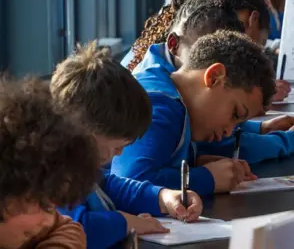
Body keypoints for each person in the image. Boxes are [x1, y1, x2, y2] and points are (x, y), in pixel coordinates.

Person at [122, 0, 294, 164]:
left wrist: (258, 128)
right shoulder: (159, 101)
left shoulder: (173, 84)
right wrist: (287, 141)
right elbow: (135, 177)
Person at [52, 42, 203, 249]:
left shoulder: (81, 168)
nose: (121, 153)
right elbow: (77, 227)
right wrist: (128, 223)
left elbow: (109, 187)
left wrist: (163, 197)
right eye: (116, 147)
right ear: (83, 132)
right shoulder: (52, 174)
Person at [111, 30, 277, 195]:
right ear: (214, 77)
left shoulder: (171, 92)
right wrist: (205, 178)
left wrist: (192, 163)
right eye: (235, 114)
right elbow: (129, 181)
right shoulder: (160, 106)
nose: (229, 132)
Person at [0, 78, 100, 249]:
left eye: (51, 204)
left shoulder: (38, 224)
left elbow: (67, 226)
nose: (47, 219)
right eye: (40, 201)